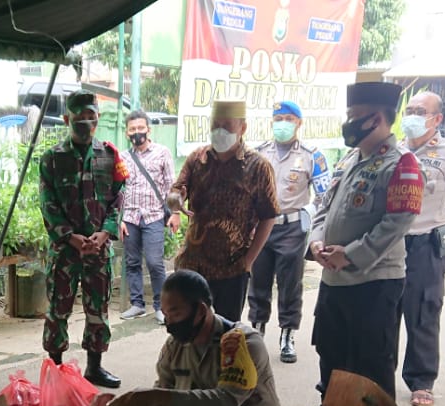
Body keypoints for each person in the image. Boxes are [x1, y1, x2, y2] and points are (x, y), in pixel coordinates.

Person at [308, 82, 422, 406]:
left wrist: (353, 255)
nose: (349, 124)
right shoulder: (350, 160)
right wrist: (316, 242)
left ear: (376, 119)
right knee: (331, 346)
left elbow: (399, 220)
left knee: (372, 354)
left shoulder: (401, 162)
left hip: (375, 280)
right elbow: (324, 208)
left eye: (354, 117)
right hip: (334, 278)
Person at [112, 270, 280, 406]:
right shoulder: (175, 346)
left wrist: (162, 397)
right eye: (165, 315)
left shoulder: (243, 343)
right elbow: (160, 396)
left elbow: (226, 401)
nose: (169, 324)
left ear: (200, 310)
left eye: (175, 314)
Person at [39, 91, 125, 388]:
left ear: (97, 118)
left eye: (91, 117)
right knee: (57, 311)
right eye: (79, 119)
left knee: (98, 310)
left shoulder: (110, 156)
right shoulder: (52, 158)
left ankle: (94, 367)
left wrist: (105, 233)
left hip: (99, 251)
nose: (86, 123)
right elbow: (47, 203)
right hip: (64, 251)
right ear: (66, 119)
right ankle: (55, 371)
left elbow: (118, 199)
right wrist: (71, 237)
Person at [168, 99, 278, 323]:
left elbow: (269, 216)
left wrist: (248, 261)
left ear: (242, 128)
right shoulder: (197, 159)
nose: (219, 131)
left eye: (227, 125)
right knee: (186, 328)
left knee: (224, 336)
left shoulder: (258, 167)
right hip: (192, 265)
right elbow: (178, 189)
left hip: (231, 270)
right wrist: (175, 200)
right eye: (215, 124)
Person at [398, 91, 445, 406]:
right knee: (383, 310)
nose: (413, 115)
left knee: (424, 312)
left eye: (421, 110)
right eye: (410, 109)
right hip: (390, 243)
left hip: (426, 244)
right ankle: (376, 376)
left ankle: (421, 380)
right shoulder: (394, 149)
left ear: (437, 119)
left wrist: (442, 230)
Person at [249, 100, 329, 364]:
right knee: (258, 280)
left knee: (290, 284)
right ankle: (257, 330)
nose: (283, 124)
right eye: (278, 118)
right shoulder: (258, 152)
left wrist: (310, 216)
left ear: (299, 123)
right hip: (262, 226)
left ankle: (287, 335)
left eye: (289, 119)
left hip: (292, 227)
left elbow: (325, 195)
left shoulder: (311, 155)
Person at [118, 109, 176, 325]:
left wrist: (175, 213)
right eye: (132, 129)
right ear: (127, 133)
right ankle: (137, 304)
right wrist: (121, 219)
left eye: (141, 128)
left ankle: (161, 307)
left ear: (148, 130)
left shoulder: (162, 153)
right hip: (131, 218)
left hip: (153, 216)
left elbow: (172, 186)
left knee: (154, 262)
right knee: (132, 262)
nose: (137, 132)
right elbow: (119, 190)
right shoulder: (123, 158)